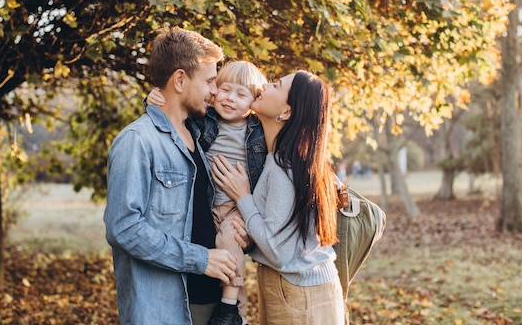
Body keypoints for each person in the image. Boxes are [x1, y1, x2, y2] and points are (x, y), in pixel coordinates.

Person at [104, 26, 238, 325]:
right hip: (164, 309)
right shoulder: (137, 141)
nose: (215, 91)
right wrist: (201, 260)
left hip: (210, 303)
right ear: (179, 79)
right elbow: (123, 228)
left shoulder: (199, 136)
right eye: (209, 82)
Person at [211, 70, 345, 325]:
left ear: (286, 112)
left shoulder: (284, 167)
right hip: (303, 287)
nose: (264, 87)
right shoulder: (297, 158)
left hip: (297, 293)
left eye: (275, 85)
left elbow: (277, 251)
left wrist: (243, 198)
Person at [147, 61, 268, 325]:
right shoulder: (204, 118)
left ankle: (230, 306)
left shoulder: (259, 129)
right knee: (221, 252)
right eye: (224, 90)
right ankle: (236, 314)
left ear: (254, 101)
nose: (230, 99)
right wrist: (155, 98)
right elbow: (173, 116)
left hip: (237, 205)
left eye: (241, 94)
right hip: (210, 203)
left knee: (230, 238)